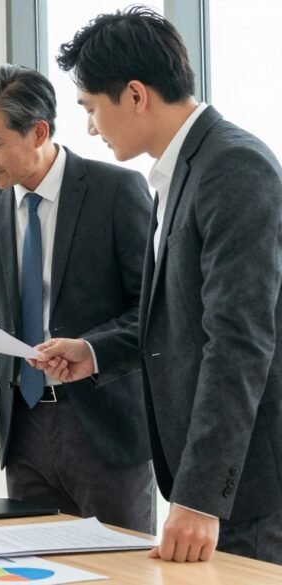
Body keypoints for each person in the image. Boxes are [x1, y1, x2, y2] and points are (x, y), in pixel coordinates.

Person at [36, 6, 282, 564]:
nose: (92, 128)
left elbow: (240, 341)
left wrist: (200, 498)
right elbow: (176, 320)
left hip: (247, 490)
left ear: (136, 95)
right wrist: (95, 351)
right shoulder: (176, 173)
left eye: (93, 109)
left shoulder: (234, 167)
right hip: (214, 487)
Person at [0, 64, 155, 533]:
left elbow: (154, 311)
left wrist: (92, 348)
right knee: (33, 568)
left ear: (38, 132)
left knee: (120, 572)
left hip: (104, 431)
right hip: (24, 433)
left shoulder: (117, 191)